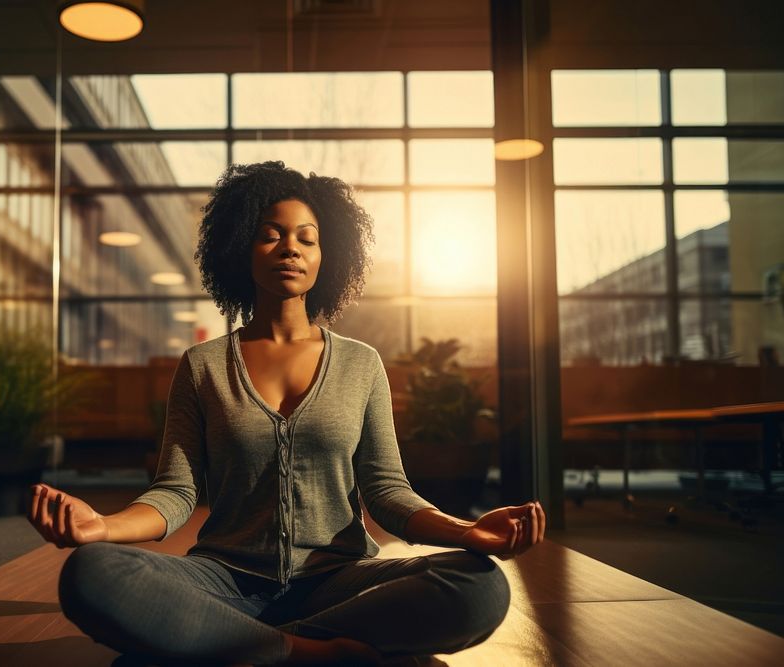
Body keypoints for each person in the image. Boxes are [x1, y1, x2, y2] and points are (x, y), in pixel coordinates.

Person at [28, 161, 546, 666]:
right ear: (240, 248)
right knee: (91, 573)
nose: (290, 248)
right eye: (271, 234)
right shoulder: (202, 365)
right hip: (224, 578)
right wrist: (101, 526)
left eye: (307, 237)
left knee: (478, 586)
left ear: (328, 254)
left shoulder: (361, 364)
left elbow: (387, 492)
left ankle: (231, 643)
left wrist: (465, 530)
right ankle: (306, 651)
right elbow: (176, 493)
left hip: (340, 580)